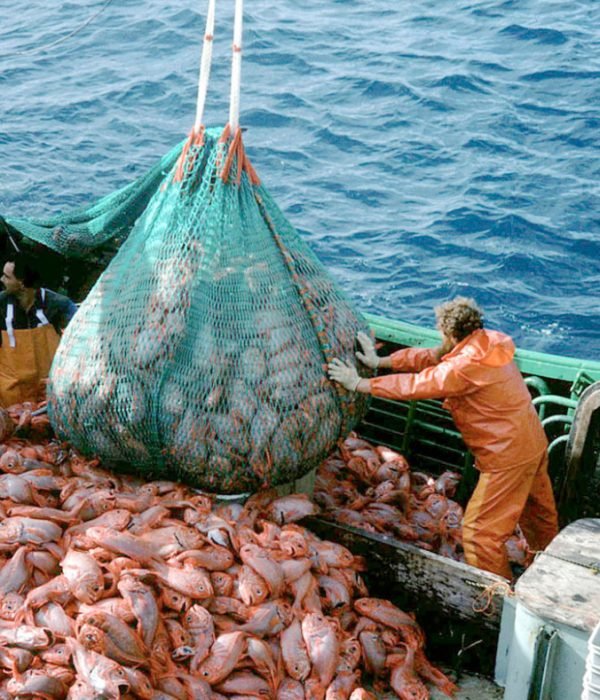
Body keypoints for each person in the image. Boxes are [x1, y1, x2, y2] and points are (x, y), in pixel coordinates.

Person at [328, 296, 559, 579]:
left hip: (506, 457)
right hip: (533, 443)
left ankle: (500, 601)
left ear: (450, 333)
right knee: (539, 514)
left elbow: (417, 384)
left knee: (477, 534)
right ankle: (549, 569)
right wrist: (381, 361)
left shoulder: (462, 367)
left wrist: (359, 383)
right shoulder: (487, 342)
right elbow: (433, 356)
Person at [0, 251, 78, 407]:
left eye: (7, 277)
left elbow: (79, 342)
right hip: (11, 394)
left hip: (50, 392)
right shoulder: (0, 305)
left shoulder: (59, 305)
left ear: (22, 283)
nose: (1, 280)